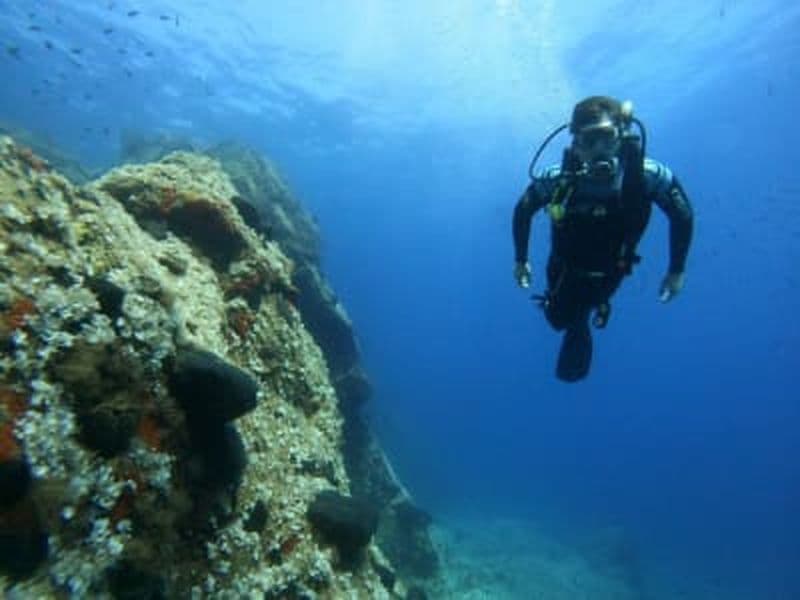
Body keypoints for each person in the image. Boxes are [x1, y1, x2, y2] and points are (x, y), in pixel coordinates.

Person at [512, 96, 694, 382]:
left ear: (622, 137)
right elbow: (523, 211)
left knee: (593, 300)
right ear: (575, 145)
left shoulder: (647, 175)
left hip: (613, 268)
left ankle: (583, 318)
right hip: (563, 267)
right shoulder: (558, 179)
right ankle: (577, 322)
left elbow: (682, 215)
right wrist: (520, 260)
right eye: (589, 141)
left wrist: (676, 271)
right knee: (556, 320)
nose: (599, 150)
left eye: (607, 138)